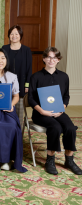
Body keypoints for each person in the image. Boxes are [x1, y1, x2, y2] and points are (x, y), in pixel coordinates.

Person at [28, 47, 82, 175]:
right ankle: (50, 160)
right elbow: (30, 98)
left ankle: (69, 160)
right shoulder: (36, 77)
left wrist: (63, 107)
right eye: (48, 57)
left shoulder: (64, 77)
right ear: (44, 59)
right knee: (55, 127)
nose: (51, 60)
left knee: (70, 127)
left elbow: (66, 96)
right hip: (41, 114)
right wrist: (42, 111)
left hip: (59, 111)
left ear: (58, 60)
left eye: (54, 57)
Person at [2, 25, 32, 134]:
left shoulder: (26, 50)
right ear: (9, 36)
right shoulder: (4, 48)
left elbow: (29, 69)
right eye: (11, 34)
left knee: (19, 112)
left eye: (16, 34)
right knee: (5, 109)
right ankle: (5, 132)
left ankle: (18, 134)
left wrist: (27, 86)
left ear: (20, 36)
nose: (14, 36)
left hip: (21, 85)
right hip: (6, 84)